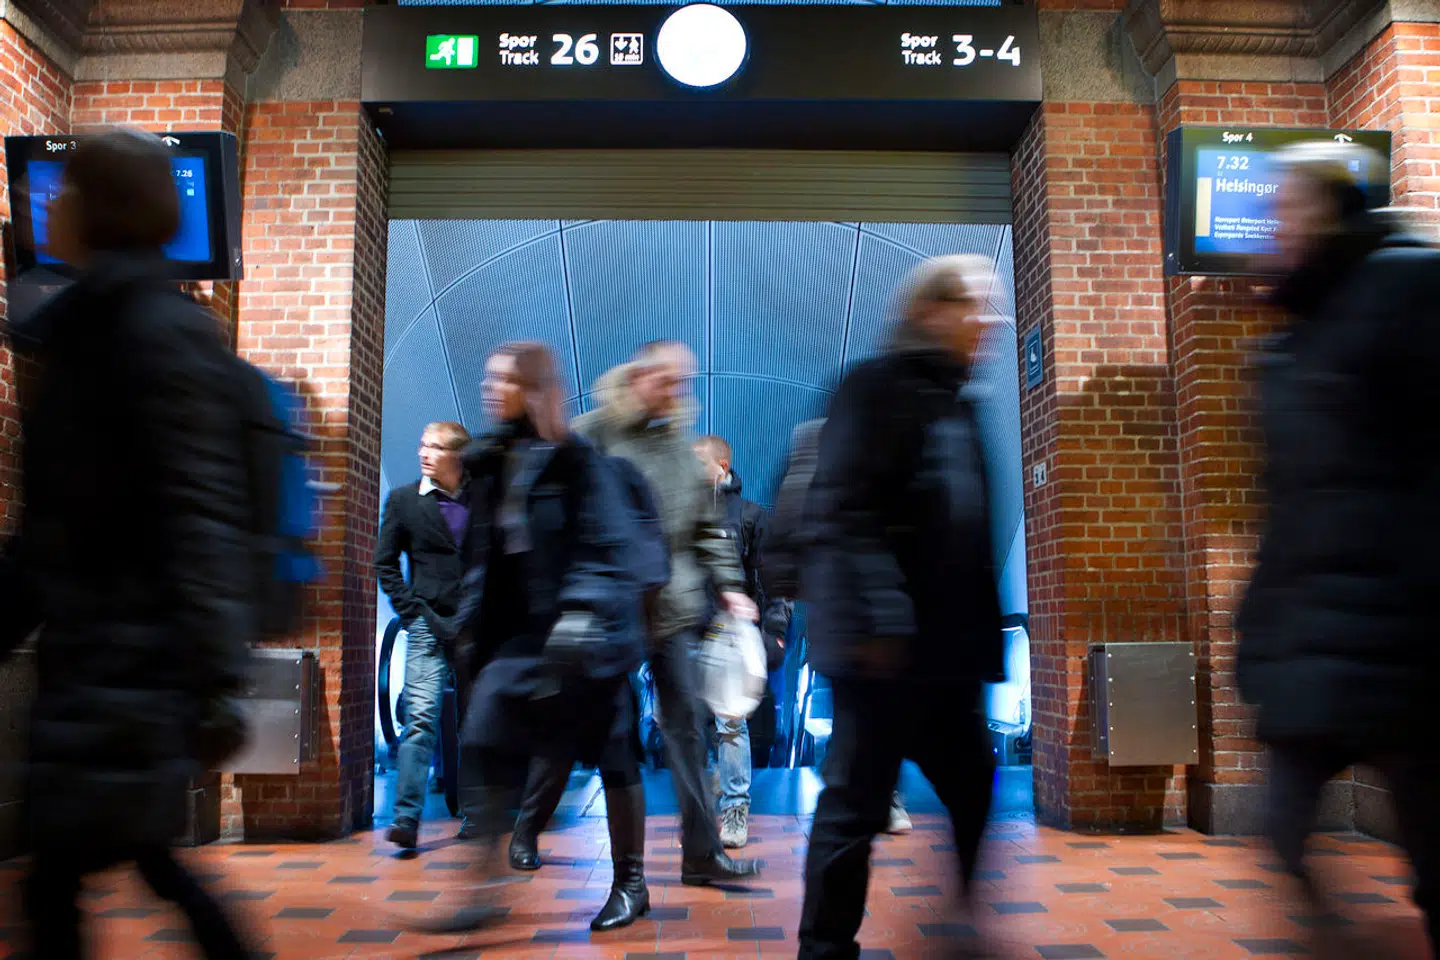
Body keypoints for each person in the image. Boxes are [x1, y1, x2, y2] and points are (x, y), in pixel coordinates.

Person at [0, 130, 257, 959]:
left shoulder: (141, 331)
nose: (53, 205)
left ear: (99, 206)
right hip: (108, 652)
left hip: (130, 656)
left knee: (70, 878)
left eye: (67, 191)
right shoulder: (101, 323)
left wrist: (217, 677)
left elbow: (195, 510)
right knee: (128, 862)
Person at [1236, 141, 1438, 957]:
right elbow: (1283, 506)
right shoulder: (1282, 345)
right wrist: (1259, 628)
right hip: (1318, 635)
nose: (1270, 227)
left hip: (1414, 633)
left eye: (1282, 208)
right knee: (1283, 840)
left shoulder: (1411, 285)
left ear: (1325, 206)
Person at [797, 256, 1005, 960]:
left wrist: (984, 644)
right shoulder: (874, 388)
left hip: (943, 653)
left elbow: (969, 532)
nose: (990, 324)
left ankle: (962, 916)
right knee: (854, 803)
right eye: (977, 307)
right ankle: (824, 948)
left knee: (974, 781)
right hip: (879, 647)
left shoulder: (961, 404)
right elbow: (847, 509)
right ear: (931, 311)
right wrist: (884, 617)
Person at [508, 341, 761, 885]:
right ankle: (528, 827)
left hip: (669, 611)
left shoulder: (681, 450)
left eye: (682, 385)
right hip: (611, 611)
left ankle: (701, 853)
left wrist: (731, 587)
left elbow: (705, 529)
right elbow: (558, 511)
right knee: (578, 724)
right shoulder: (596, 434)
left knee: (686, 730)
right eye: (668, 381)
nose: (676, 393)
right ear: (640, 375)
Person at [424, 342, 652, 934]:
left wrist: (582, 614)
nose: (490, 388)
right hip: (522, 634)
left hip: (589, 634)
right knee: (484, 735)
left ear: (533, 388)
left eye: (504, 379)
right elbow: (485, 553)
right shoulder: (494, 460)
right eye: (489, 377)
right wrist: (471, 622)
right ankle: (483, 887)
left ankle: (631, 883)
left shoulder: (579, 461)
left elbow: (609, 545)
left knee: (614, 751)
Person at [763, 419, 912, 836]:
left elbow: (786, 528)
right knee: (874, 706)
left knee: (868, 707)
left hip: (853, 609)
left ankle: (861, 784)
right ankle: (872, 791)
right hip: (858, 608)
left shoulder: (816, 445)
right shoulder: (832, 444)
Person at [375, 420, 483, 850]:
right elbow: (385, 564)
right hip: (427, 626)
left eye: (435, 447)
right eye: (422, 444)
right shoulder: (404, 501)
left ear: (456, 455)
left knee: (476, 723)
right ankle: (406, 819)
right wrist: (411, 610)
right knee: (419, 721)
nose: (424, 452)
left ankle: (475, 814)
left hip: (474, 626)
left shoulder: (481, 500)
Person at [693, 434, 773, 849]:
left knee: (729, 724)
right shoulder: (684, 516)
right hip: (688, 635)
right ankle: (712, 788)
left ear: (721, 467)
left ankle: (735, 805)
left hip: (727, 638)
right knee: (685, 723)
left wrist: (774, 633)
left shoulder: (749, 516)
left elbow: (770, 580)